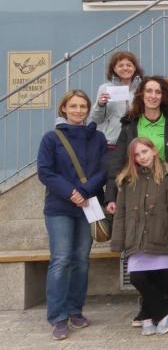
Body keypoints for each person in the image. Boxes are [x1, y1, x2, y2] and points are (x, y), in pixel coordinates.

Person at [103, 76, 168, 327]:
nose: (153, 96)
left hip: (166, 190)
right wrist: (111, 194)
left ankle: (156, 304)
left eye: (157, 92)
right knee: (140, 252)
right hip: (136, 192)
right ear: (141, 95)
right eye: (148, 91)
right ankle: (154, 306)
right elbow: (118, 160)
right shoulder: (130, 123)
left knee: (163, 250)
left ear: (164, 96)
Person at [36, 90, 107, 340]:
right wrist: (72, 193)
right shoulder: (51, 138)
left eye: (82, 107)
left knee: (81, 259)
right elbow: (45, 172)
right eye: (73, 106)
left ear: (88, 110)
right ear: (63, 109)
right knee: (62, 259)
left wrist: (85, 191)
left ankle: (76, 310)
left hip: (88, 205)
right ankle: (58, 317)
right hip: (60, 208)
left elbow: (103, 169)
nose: (78, 111)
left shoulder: (97, 137)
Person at [111, 138, 168, 336]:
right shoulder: (127, 181)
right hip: (136, 237)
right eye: (137, 154)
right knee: (137, 277)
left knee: (159, 280)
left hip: (160, 234)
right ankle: (166, 309)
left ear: (154, 151)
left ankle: (151, 315)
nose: (142, 157)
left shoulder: (166, 177)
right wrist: (118, 240)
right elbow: (121, 213)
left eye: (144, 151)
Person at [91, 52, 144, 146]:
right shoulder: (105, 88)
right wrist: (100, 104)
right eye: (120, 65)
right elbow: (97, 119)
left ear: (134, 68)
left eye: (129, 65)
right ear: (114, 69)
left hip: (137, 142)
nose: (125, 68)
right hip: (112, 142)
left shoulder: (143, 89)